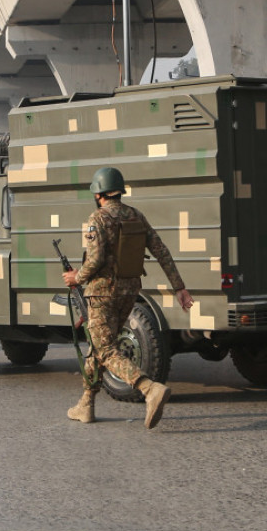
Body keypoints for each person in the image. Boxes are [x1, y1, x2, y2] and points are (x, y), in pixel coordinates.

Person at [61, 167, 194, 429]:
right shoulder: (136, 216)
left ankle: (148, 388)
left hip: (102, 293)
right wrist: (179, 287)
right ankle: (86, 403)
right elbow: (161, 251)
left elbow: (95, 260)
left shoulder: (96, 219)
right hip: (129, 291)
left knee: (104, 349)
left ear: (98, 194)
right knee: (99, 346)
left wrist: (77, 277)